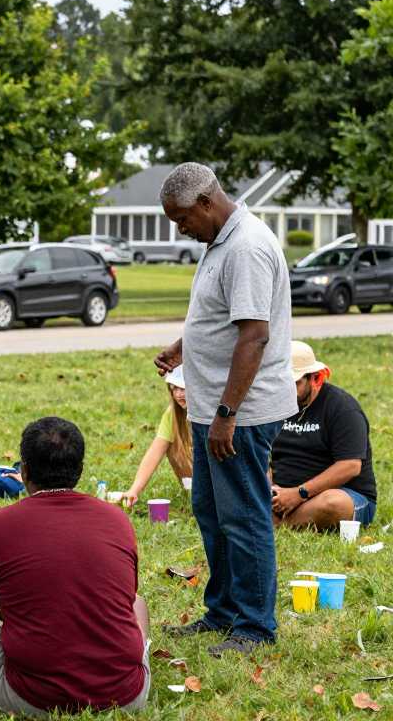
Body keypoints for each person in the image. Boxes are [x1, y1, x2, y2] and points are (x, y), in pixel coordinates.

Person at [155, 162, 296, 657]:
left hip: (242, 411)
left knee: (244, 515)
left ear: (205, 204)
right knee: (211, 511)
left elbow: (255, 335)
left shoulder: (247, 247)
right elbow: (221, 316)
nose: (180, 229)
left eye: (181, 219)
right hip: (213, 403)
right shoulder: (219, 241)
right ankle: (223, 613)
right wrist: (182, 347)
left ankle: (255, 627)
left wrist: (227, 413)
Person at [0, 417, 150, 715]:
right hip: (126, 696)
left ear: (24, 471)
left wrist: (11, 612)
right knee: (138, 604)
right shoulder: (118, 520)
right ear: (79, 471)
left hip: (32, 698)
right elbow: (121, 598)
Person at [270, 341, 377, 530]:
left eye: (294, 383)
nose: (286, 389)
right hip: (283, 493)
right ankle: (279, 517)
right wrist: (268, 486)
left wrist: (299, 494)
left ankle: (277, 524)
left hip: (341, 495)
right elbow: (262, 453)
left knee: (332, 503)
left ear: (316, 378)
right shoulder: (276, 404)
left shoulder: (342, 408)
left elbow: (350, 466)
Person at [122, 365, 193, 508]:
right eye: (174, 388)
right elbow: (155, 453)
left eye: (183, 388)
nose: (179, 394)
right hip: (195, 477)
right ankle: (190, 489)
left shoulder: (210, 411)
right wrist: (134, 490)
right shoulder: (172, 414)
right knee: (172, 445)